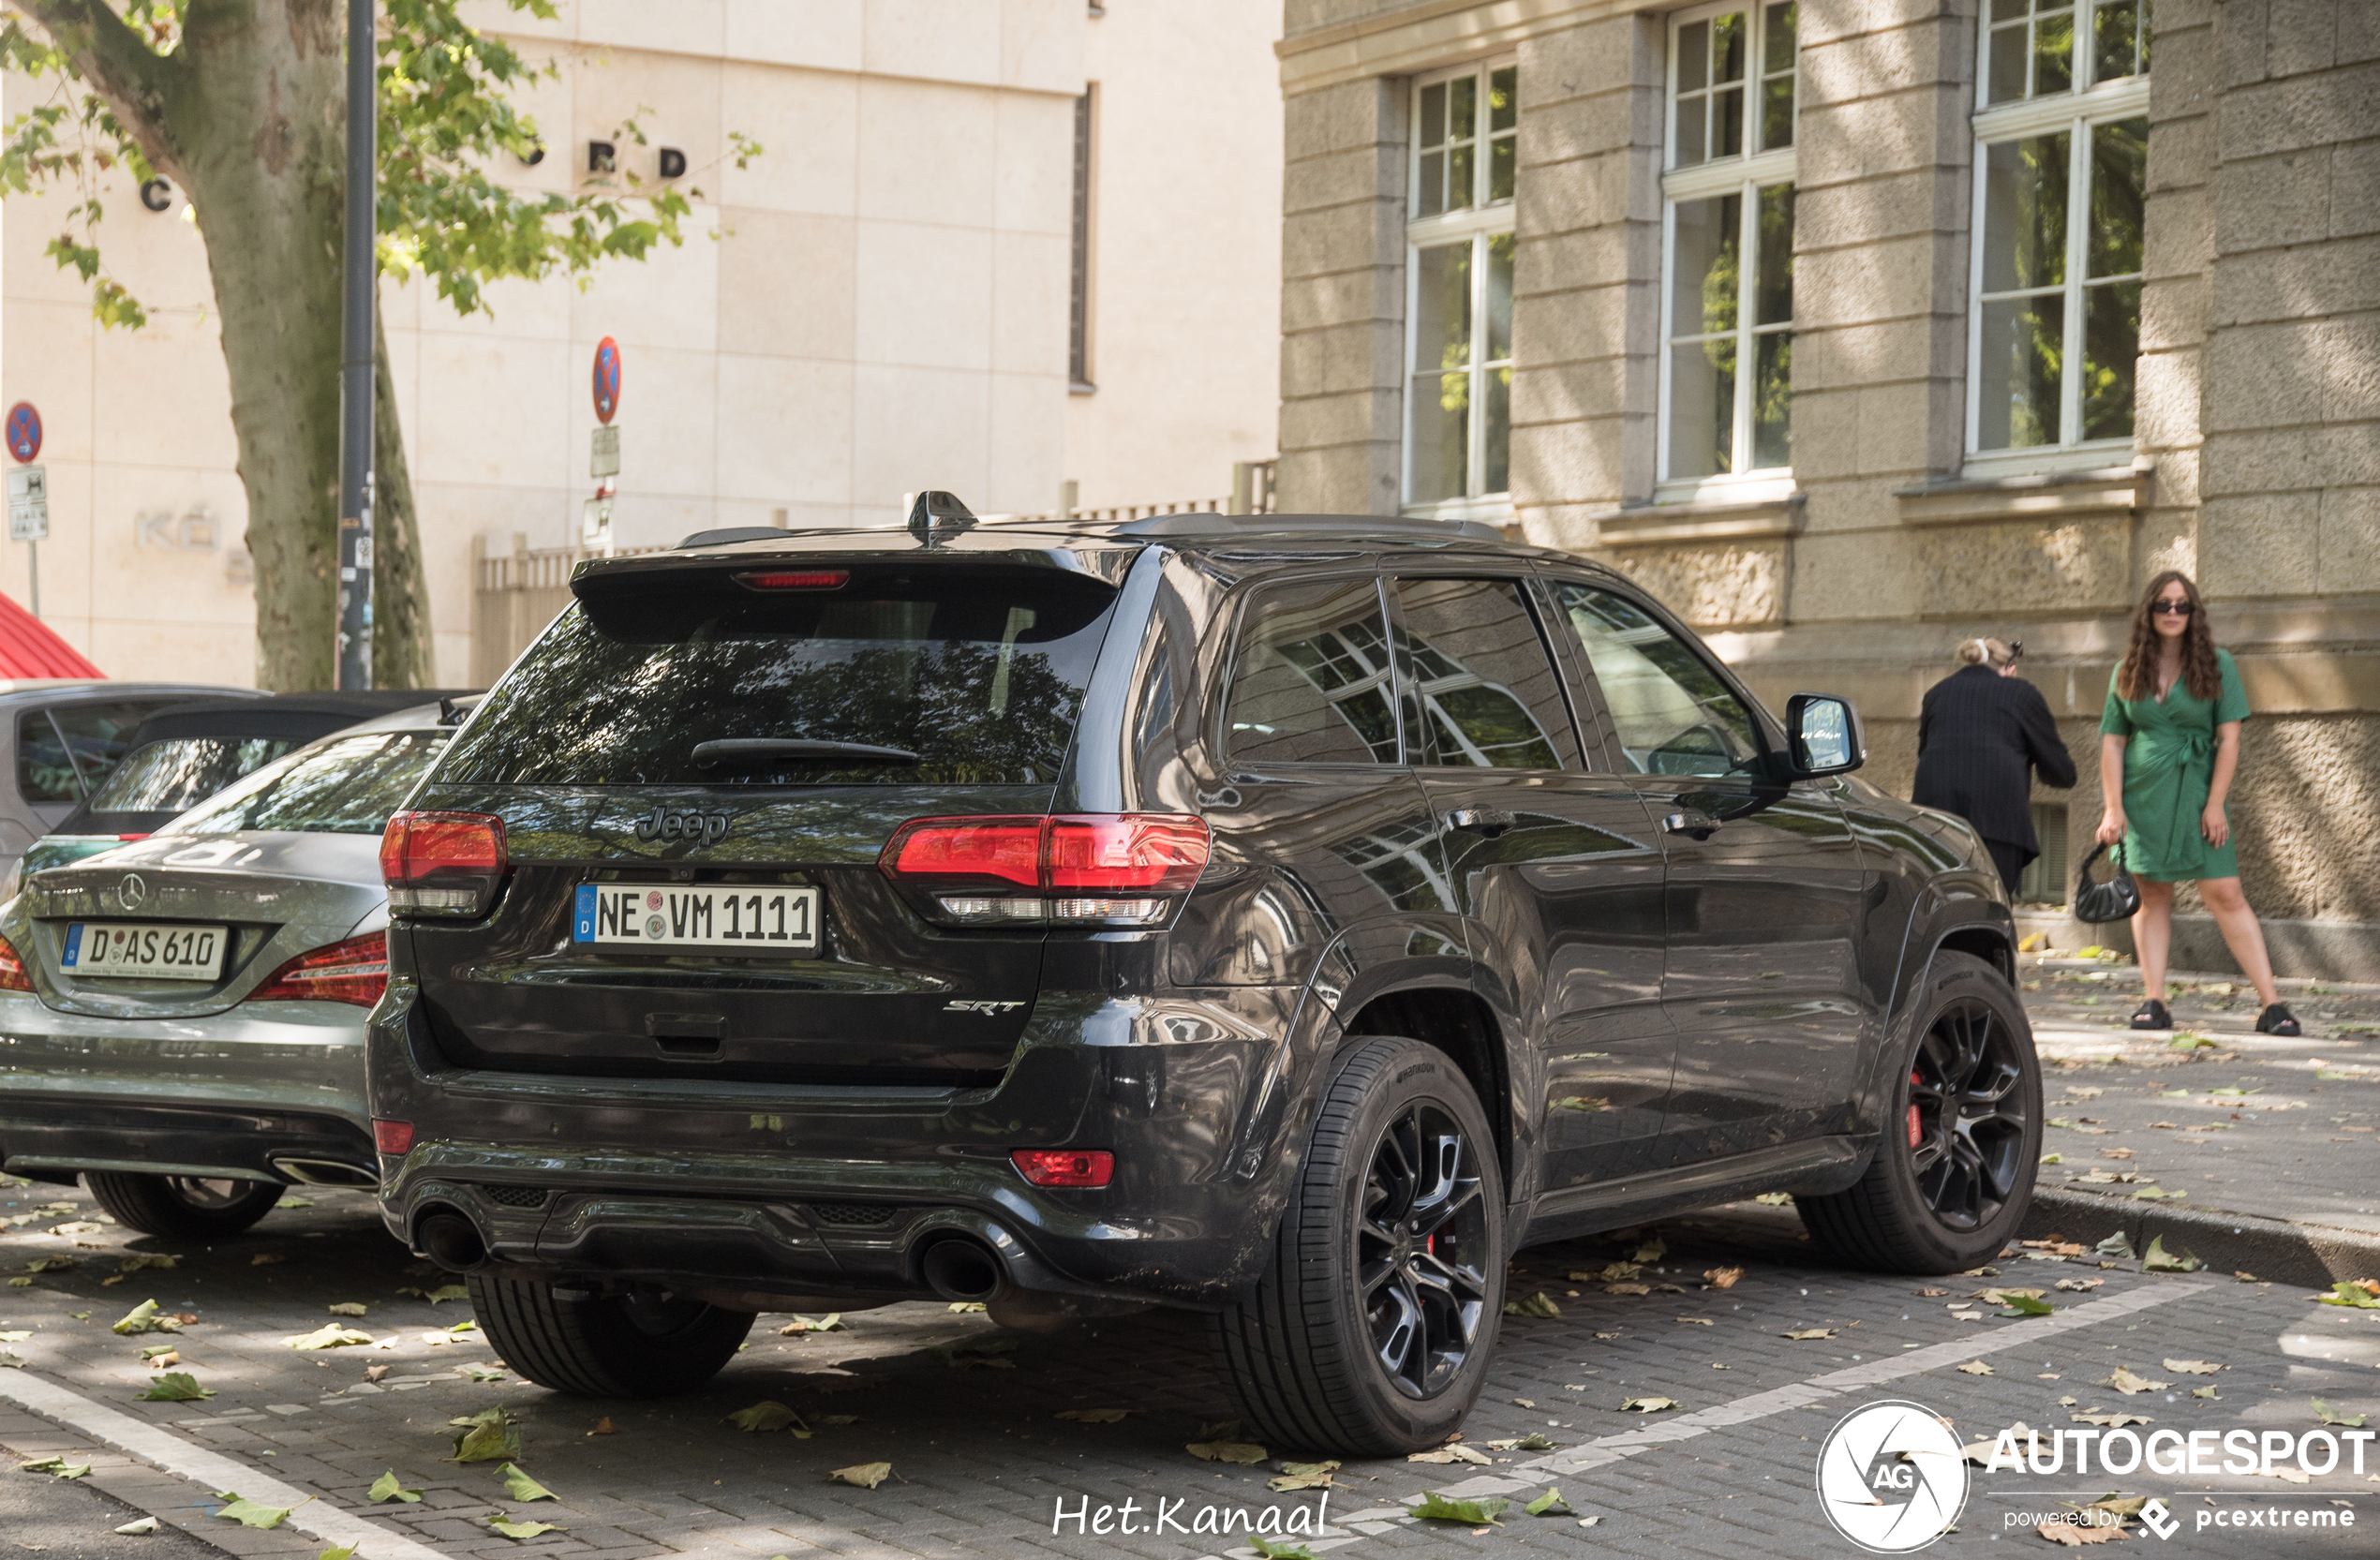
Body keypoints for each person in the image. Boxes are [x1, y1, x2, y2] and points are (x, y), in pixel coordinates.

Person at [2095, 571, 2298, 1035]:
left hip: (2198, 794)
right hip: (2142, 797)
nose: (2172, 613)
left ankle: (2272, 1005)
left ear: (2194, 613)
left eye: (2181, 605)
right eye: (2163, 605)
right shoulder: (2127, 667)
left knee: (2224, 892)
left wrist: (2215, 804)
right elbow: (2112, 742)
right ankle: (2153, 1001)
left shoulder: (2218, 662)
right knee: (2152, 894)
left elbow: (2229, 740)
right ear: (2149, 612)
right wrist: (2112, 807)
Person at [1911, 636, 2075, 896]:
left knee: (1941, 910)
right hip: (1997, 823)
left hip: (1934, 825)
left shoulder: (1936, 694)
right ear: (2010, 669)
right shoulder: (2020, 693)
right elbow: (2062, 772)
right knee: (1990, 911)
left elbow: (1925, 753)